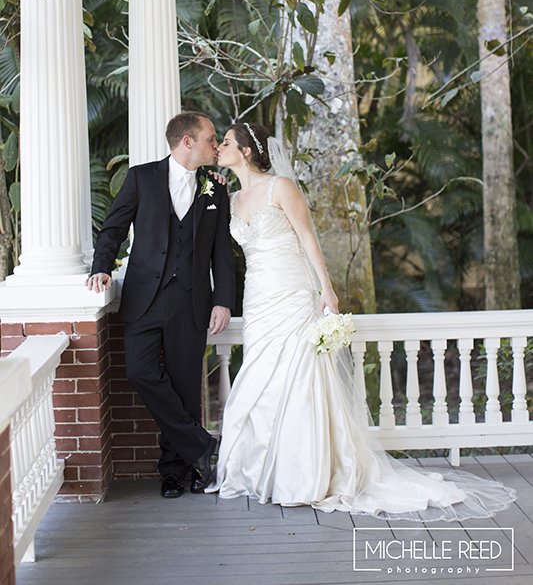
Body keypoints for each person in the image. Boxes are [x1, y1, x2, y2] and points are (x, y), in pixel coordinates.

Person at [207, 121, 516, 520]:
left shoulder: (280, 187)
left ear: (246, 150)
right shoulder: (230, 200)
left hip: (292, 292)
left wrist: (328, 291)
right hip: (259, 298)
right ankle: (263, 470)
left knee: (300, 378)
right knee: (262, 378)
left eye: (226, 143)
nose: (220, 148)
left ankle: (307, 474)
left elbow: (307, 239)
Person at [87, 112, 235, 498]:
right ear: (187, 141)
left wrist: (223, 301)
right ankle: (202, 445)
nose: (215, 145)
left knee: (186, 389)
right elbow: (113, 228)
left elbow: (222, 253)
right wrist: (101, 267)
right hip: (144, 300)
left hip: (191, 302)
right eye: (209, 139)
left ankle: (176, 471)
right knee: (138, 371)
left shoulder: (216, 189)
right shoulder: (141, 178)